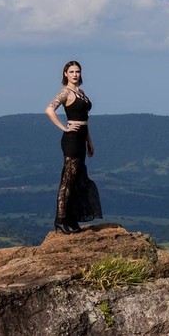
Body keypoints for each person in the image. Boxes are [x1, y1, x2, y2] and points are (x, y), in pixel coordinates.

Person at [45, 60, 102, 234]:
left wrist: (89, 141)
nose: (75, 74)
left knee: (76, 179)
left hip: (81, 138)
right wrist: (64, 127)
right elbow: (49, 109)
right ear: (65, 74)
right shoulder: (65, 92)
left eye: (77, 71)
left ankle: (71, 218)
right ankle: (61, 220)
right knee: (68, 179)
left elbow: (85, 120)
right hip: (71, 139)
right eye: (72, 71)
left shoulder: (81, 92)